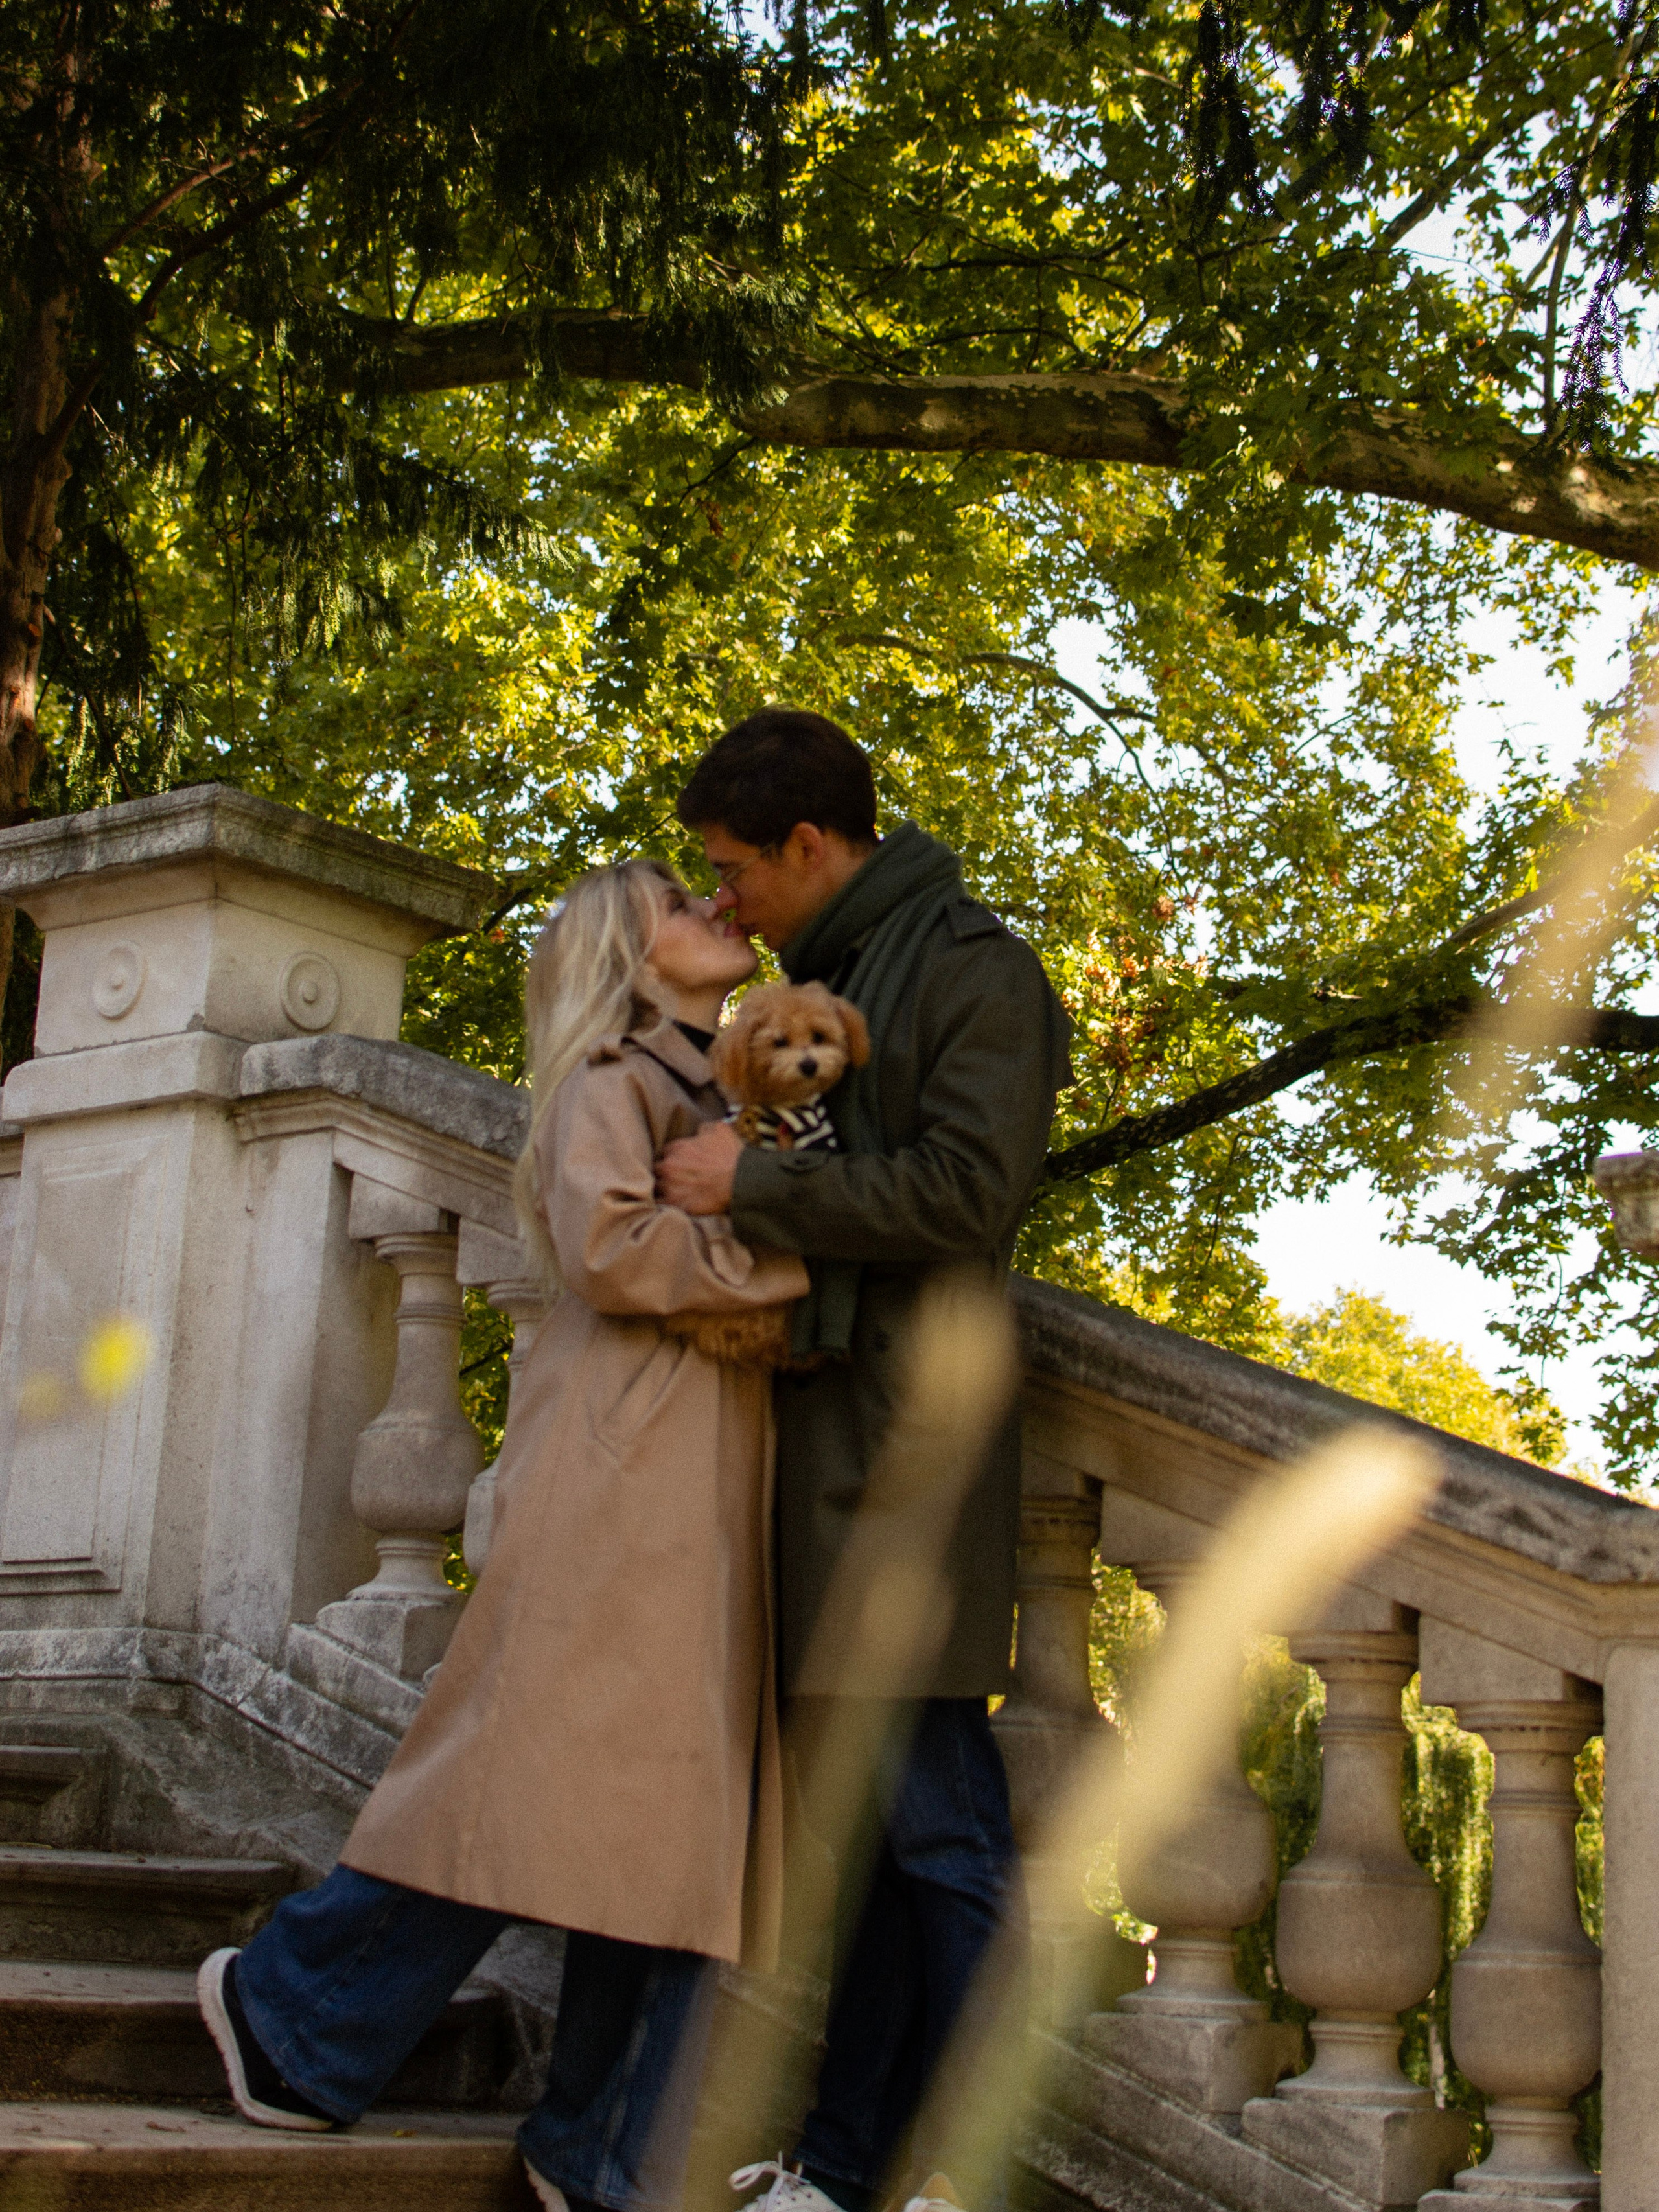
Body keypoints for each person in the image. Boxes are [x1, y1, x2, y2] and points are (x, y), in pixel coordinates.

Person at [196, 860, 810, 2212]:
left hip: (693, 1478)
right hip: (619, 1472)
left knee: (668, 1830)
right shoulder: (610, 1078)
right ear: (622, 952)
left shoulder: (722, 1091)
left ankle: (590, 2149)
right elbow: (605, 1251)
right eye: (673, 895)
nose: (713, 904)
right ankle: (292, 2010)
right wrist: (782, 1268)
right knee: (528, 1775)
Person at [658, 708, 1073, 2212]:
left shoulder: (970, 967)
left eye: (730, 872)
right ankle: (840, 2175)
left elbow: (968, 1192)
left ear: (811, 847)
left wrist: (751, 1187)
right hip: (828, 1448)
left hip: (904, 1455)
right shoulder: (823, 979)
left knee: (945, 1839)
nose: (719, 903)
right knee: (888, 1854)